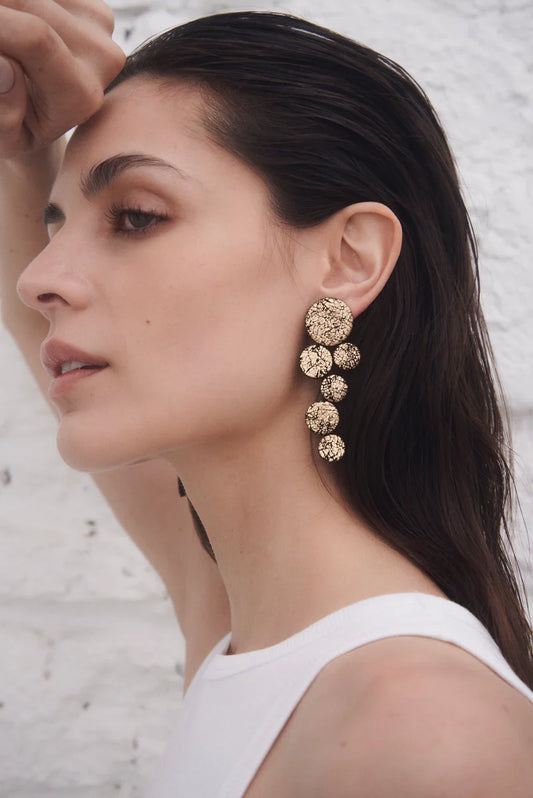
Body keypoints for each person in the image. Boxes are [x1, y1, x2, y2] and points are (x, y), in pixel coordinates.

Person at [1, 2, 533, 796]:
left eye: (136, 217)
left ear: (348, 259)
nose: (38, 280)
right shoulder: (245, 625)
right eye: (55, 229)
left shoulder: (423, 730)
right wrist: (21, 140)